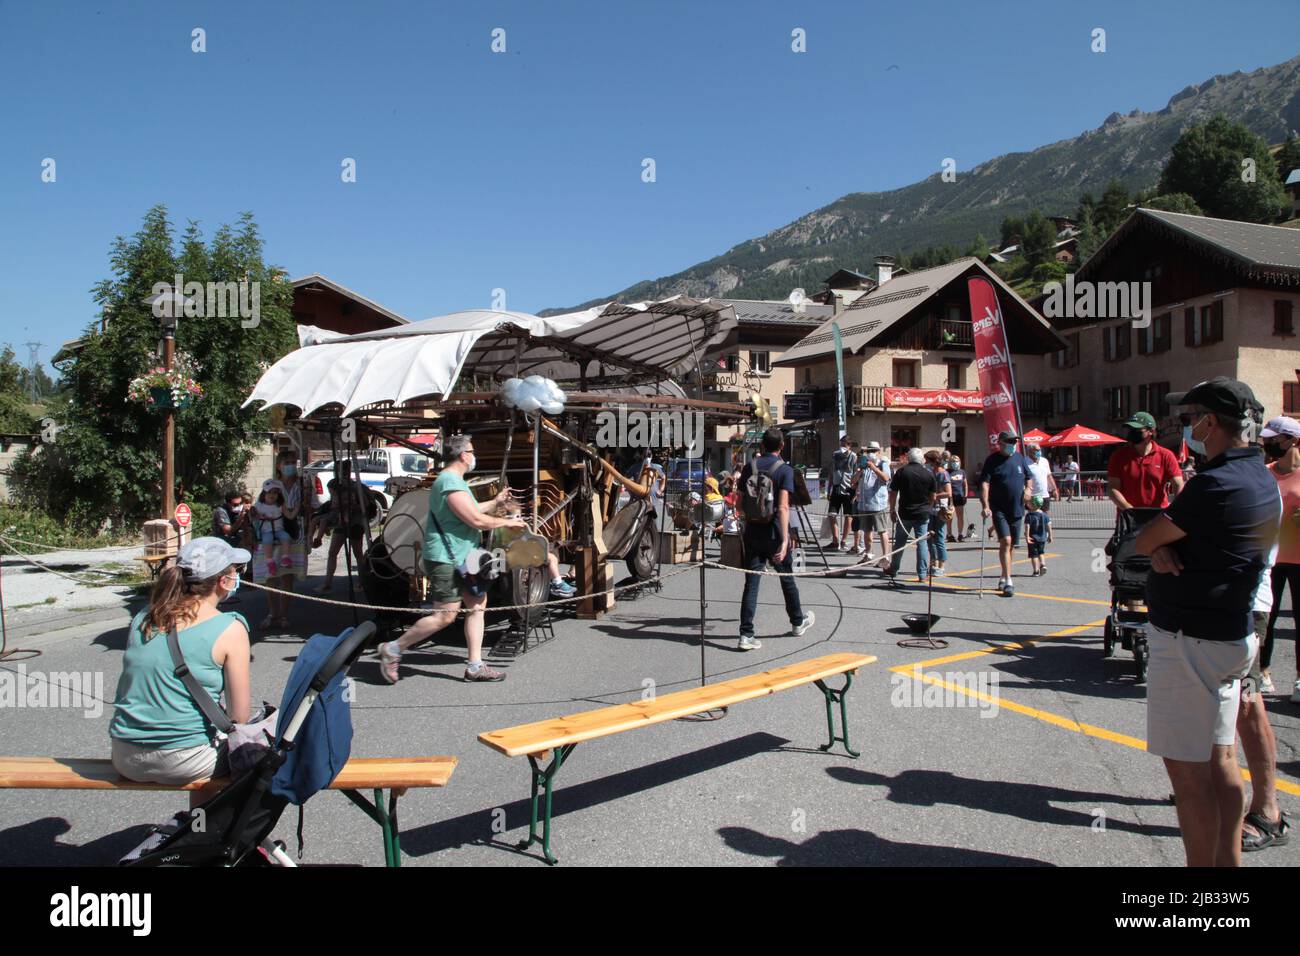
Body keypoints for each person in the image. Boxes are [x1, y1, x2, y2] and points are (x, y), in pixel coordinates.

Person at [1135, 377, 1278, 867]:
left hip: (1190, 638)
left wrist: (1159, 548)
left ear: (1211, 423)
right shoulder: (1260, 474)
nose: (1188, 425)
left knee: (1188, 773)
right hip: (1229, 634)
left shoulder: (1213, 483)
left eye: (1193, 415)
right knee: (1220, 759)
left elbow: (1145, 538)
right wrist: (1164, 549)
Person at [376, 434, 526, 683]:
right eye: (472, 450)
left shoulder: (455, 481)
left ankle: (475, 665)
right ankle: (392, 649)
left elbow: (472, 510)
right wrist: (507, 523)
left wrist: (495, 502)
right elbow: (475, 520)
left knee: (477, 605)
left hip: (464, 556)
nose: (474, 455)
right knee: (445, 615)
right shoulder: (449, 482)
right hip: (447, 557)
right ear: (464, 455)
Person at [109, 537, 251, 794]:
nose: (237, 576)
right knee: (257, 759)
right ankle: (207, 830)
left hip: (124, 754)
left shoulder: (145, 616)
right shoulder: (231, 628)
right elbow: (239, 716)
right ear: (223, 581)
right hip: (184, 759)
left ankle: (196, 825)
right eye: (235, 571)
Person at [1238, 504, 1291, 851]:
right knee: (1228, 705)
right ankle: (1218, 789)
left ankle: (1268, 811)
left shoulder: (1253, 480)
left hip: (1244, 609)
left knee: (1247, 702)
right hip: (1221, 612)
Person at [736, 427, 815, 651]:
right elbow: (782, 507)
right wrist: (784, 539)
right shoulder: (784, 470)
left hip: (752, 530)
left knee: (751, 582)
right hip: (774, 531)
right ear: (781, 446)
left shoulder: (749, 468)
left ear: (762, 445)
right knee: (786, 577)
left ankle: (746, 634)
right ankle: (797, 622)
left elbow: (739, 506)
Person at [253, 450, 316, 632]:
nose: (290, 465)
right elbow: (260, 508)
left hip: (295, 534)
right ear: (279, 465)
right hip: (271, 534)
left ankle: (284, 614)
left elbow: (312, 509)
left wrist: (311, 534)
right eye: (286, 462)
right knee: (271, 577)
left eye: (292, 462)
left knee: (288, 577)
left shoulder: (304, 484)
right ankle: (272, 612)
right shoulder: (272, 485)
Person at [1260, 415, 1300, 701]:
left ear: (1292, 440)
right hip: (1270, 557)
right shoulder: (1265, 472)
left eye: (1274, 440)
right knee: (1265, 618)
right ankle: (1262, 673)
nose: (1268, 444)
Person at [979, 431, 1032, 597]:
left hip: (1016, 508)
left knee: (1012, 545)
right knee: (1006, 541)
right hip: (999, 508)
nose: (1012, 444)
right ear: (1000, 443)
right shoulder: (992, 460)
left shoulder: (1019, 458)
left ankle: (1003, 574)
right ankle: (1009, 580)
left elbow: (1028, 477)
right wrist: (986, 505)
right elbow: (985, 484)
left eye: (1014, 441)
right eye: (1009, 441)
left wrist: (1029, 489)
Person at [1107, 411, 1184, 511]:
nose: (1132, 432)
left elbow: (1178, 484)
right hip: (1128, 517)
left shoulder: (1166, 455)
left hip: (1157, 517)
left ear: (1151, 431)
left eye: (1136, 429)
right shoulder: (1118, 456)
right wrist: (1130, 510)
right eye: (1130, 429)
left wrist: (1176, 509)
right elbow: (1113, 489)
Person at [315, 461, 372, 593]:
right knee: (332, 552)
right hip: (341, 523)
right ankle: (327, 583)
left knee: (357, 554)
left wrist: (350, 505)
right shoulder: (337, 485)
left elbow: (366, 505)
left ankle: (361, 583)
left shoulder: (357, 487)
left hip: (355, 523)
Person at [888, 448, 938, 583]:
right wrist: (929, 507)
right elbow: (933, 495)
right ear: (922, 459)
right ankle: (922, 574)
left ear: (909, 458)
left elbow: (893, 493)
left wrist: (892, 509)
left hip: (904, 513)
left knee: (899, 543)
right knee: (921, 543)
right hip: (922, 514)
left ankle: (894, 569)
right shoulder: (929, 474)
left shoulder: (901, 472)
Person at [852, 440, 891, 567]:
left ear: (878, 452)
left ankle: (886, 557)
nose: (871, 453)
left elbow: (886, 478)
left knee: (882, 531)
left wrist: (874, 468)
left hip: (878, 504)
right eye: (869, 451)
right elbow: (853, 481)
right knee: (867, 531)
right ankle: (868, 554)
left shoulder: (882, 464)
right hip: (864, 504)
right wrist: (859, 471)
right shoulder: (863, 466)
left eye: (873, 451)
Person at [253, 479, 293, 576]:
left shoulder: (279, 505)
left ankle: (285, 557)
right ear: (264, 493)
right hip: (266, 530)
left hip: (278, 529)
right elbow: (254, 516)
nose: (272, 495)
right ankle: (270, 561)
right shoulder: (259, 505)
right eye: (269, 492)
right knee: (267, 539)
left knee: (286, 537)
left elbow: (289, 516)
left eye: (275, 493)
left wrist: (297, 509)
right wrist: (259, 516)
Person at [827, 435, 856, 550]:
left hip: (848, 489)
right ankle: (836, 540)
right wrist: (829, 489)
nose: (843, 445)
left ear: (849, 445)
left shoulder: (853, 456)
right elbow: (832, 472)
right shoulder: (835, 454)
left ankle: (842, 540)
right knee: (832, 515)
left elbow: (855, 473)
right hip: (836, 487)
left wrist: (856, 490)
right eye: (842, 443)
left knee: (848, 515)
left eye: (845, 443)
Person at [924, 450, 950, 576]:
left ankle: (941, 566)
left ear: (933, 461)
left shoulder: (943, 474)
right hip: (930, 509)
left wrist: (934, 496)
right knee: (930, 537)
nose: (925, 463)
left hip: (940, 509)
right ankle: (933, 564)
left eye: (927, 461)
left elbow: (948, 492)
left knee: (939, 537)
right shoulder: (931, 473)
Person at [1024, 443, 1058, 510]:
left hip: (1044, 495)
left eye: (1039, 450)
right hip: (1032, 496)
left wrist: (1054, 489)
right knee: (1034, 517)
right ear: (1030, 451)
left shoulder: (1044, 461)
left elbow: (1049, 476)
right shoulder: (1024, 461)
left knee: (1045, 518)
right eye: (1037, 450)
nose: (1039, 452)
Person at [1024, 495, 1051, 576]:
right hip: (1042, 538)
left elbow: (1027, 526)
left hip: (1033, 538)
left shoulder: (1029, 515)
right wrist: (1050, 535)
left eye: (1030, 503)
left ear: (1033, 505)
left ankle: (1036, 571)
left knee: (1034, 555)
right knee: (1041, 553)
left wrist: (1027, 536)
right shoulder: (1045, 515)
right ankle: (1043, 564)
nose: (1028, 504)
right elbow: (1049, 525)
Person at [947, 456, 971, 542]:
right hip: (950, 497)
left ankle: (960, 534)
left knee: (960, 516)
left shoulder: (962, 472)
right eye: (953, 461)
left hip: (960, 496)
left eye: (956, 461)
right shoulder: (948, 472)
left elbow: (965, 484)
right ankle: (949, 534)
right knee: (950, 517)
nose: (955, 463)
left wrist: (965, 495)